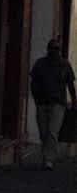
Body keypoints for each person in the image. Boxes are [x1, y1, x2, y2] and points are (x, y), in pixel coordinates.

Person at [30, 39, 77, 170]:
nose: (55, 51)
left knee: (52, 131)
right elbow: (33, 82)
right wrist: (36, 98)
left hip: (58, 104)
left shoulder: (65, 64)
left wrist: (74, 101)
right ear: (48, 49)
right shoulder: (40, 64)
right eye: (52, 48)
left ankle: (48, 159)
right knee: (43, 132)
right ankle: (48, 154)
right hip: (42, 103)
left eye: (57, 49)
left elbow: (70, 85)